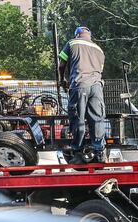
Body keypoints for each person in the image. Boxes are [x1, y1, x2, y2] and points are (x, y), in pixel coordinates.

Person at [58, 26, 110, 163]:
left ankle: (77, 151)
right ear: (89, 36)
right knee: (97, 119)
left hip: (80, 84)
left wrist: (62, 79)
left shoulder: (72, 43)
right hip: (97, 87)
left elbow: (61, 63)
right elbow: (100, 70)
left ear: (77, 35)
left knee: (77, 118)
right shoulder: (99, 50)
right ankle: (99, 152)